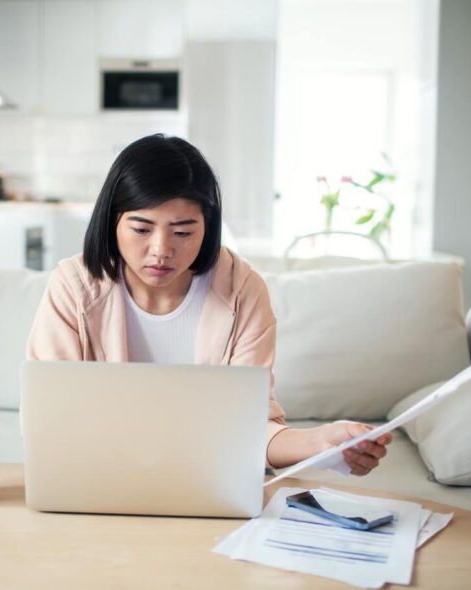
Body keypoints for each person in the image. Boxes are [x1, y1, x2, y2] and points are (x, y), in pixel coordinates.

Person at [26, 134, 391, 473]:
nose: (161, 250)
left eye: (183, 232)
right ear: (111, 223)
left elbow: (250, 427)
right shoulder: (74, 287)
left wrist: (322, 443)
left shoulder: (242, 290)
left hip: (208, 478)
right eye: (141, 229)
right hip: (99, 474)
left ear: (209, 227)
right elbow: (50, 416)